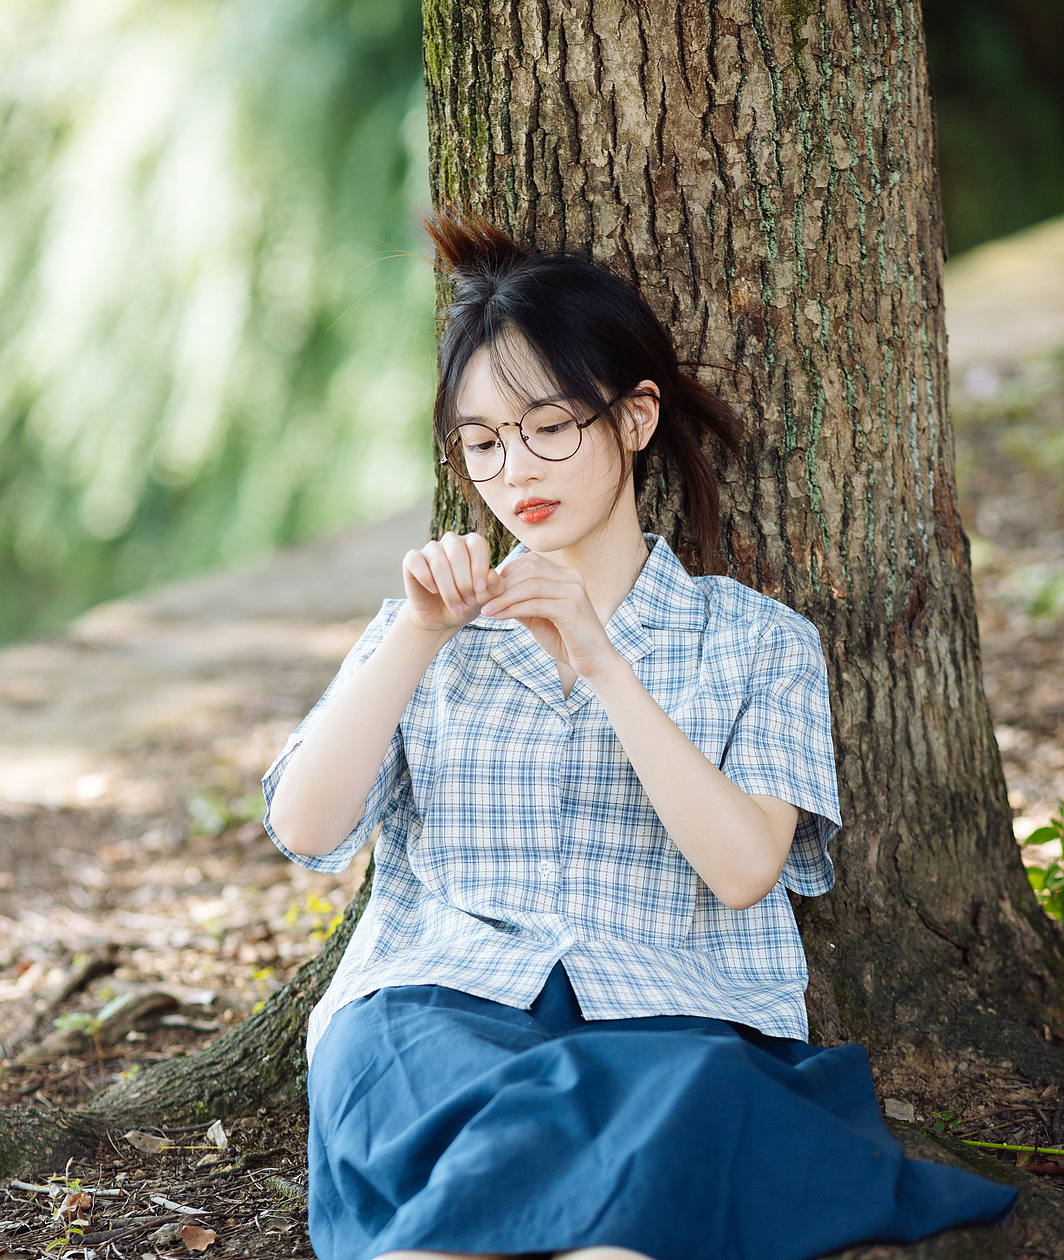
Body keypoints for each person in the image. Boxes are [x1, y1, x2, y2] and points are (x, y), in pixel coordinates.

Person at [261, 210, 1018, 1260]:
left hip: (667, 1023)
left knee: (640, 1200)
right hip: (436, 1013)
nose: (512, 468)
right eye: (480, 443)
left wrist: (603, 665)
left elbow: (746, 865)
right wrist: (416, 638)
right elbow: (304, 824)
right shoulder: (429, 627)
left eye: (548, 425)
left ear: (633, 416)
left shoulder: (755, 641)